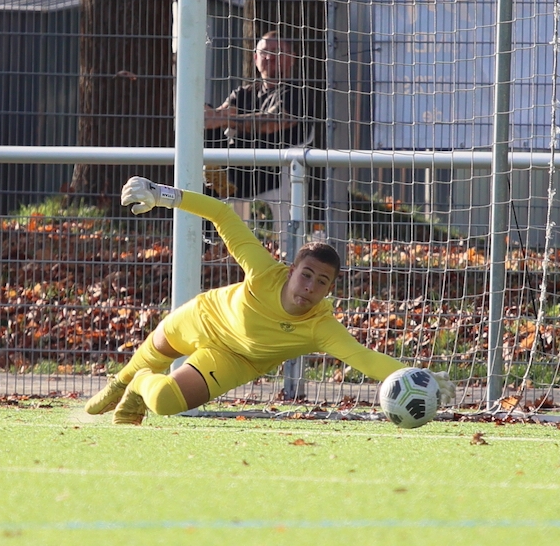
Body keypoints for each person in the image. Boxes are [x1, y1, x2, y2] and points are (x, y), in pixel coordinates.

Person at [85, 176, 455, 425]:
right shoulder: (264, 271)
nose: (310, 286)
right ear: (292, 269)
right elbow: (222, 213)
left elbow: (365, 358)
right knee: (143, 361)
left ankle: (139, 385)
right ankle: (122, 382)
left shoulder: (321, 327)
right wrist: (161, 195)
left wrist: (421, 378)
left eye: (321, 282)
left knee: (164, 402)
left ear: (329, 290)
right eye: (306, 275)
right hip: (205, 316)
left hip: (235, 359)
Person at [203, 31, 307, 200]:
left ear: (292, 57)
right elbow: (216, 117)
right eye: (264, 52)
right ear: (256, 58)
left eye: (277, 51)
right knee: (204, 124)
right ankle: (214, 178)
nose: (270, 57)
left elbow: (274, 122)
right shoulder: (244, 92)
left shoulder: (297, 92)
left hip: (270, 170)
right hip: (235, 162)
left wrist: (225, 119)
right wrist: (206, 113)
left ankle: (218, 181)